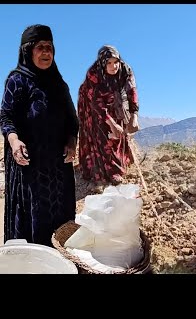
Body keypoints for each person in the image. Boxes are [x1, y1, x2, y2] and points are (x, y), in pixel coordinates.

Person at [0, 24, 79, 246]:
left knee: (60, 219)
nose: (46, 52)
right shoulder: (17, 80)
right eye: (40, 47)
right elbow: (6, 116)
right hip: (29, 165)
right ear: (28, 50)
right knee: (32, 219)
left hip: (57, 168)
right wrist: (14, 141)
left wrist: (72, 143)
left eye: (50, 48)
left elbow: (72, 121)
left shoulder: (59, 85)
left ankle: (60, 262)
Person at [77, 45, 140, 186]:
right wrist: (111, 122)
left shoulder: (126, 71)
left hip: (115, 100)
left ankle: (120, 162)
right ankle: (105, 171)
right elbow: (96, 102)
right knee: (100, 131)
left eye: (115, 62)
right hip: (91, 102)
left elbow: (132, 92)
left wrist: (134, 115)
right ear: (103, 63)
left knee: (118, 132)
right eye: (109, 63)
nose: (113, 66)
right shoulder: (93, 74)